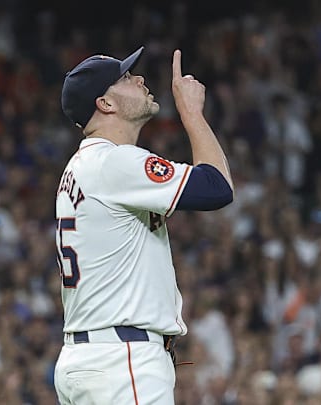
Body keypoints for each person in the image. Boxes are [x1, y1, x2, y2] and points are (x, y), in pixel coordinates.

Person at [53, 46, 233, 404]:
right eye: (124, 78)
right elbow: (217, 188)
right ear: (105, 103)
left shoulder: (80, 168)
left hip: (88, 359)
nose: (139, 79)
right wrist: (191, 113)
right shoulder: (114, 163)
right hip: (123, 360)